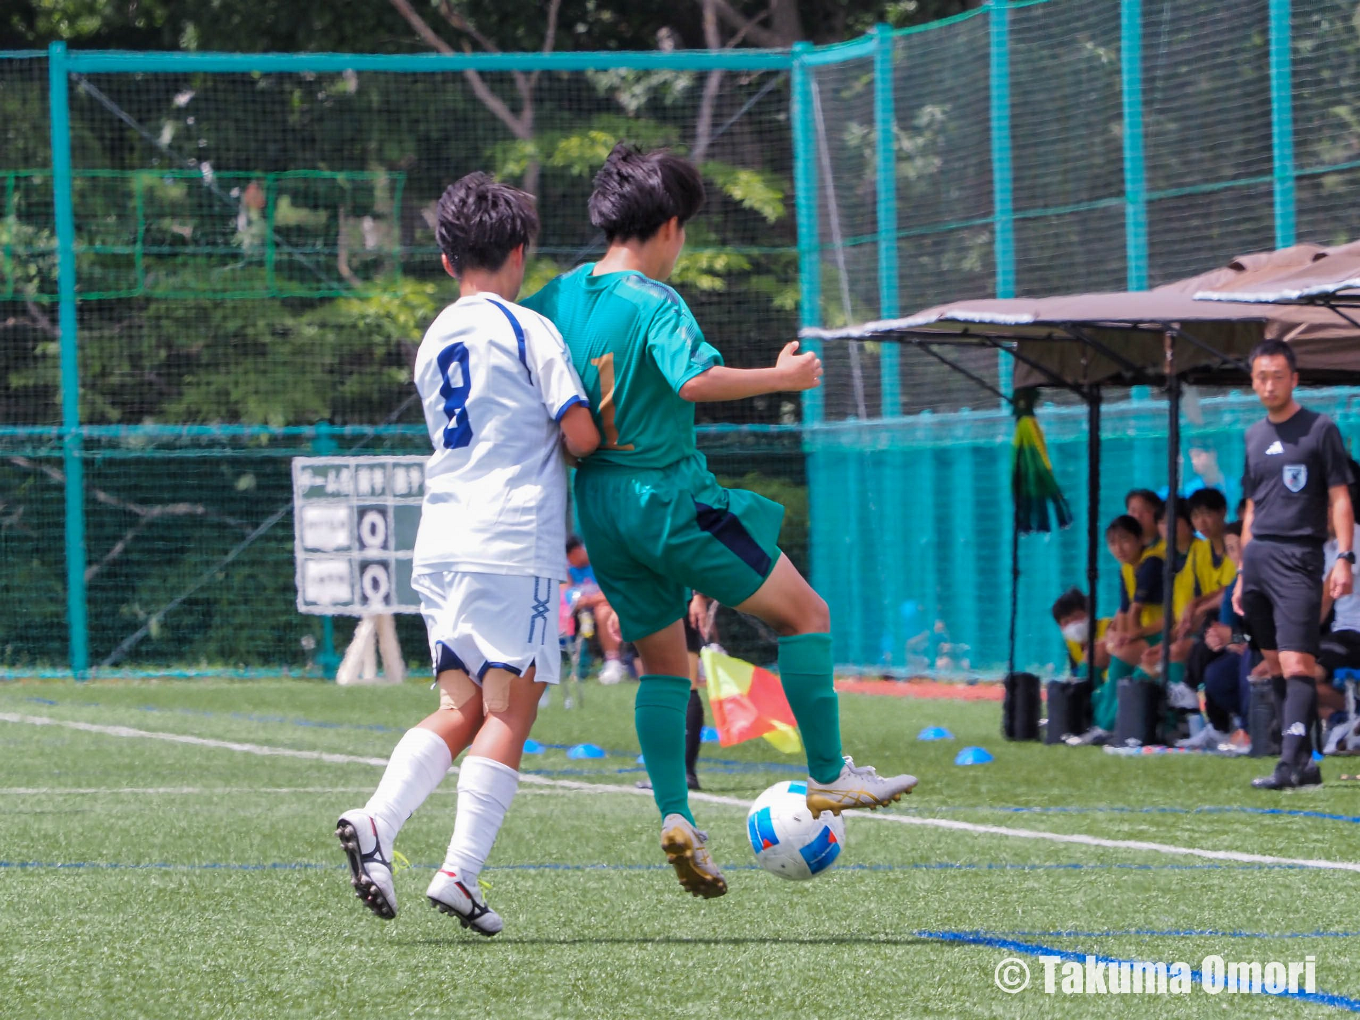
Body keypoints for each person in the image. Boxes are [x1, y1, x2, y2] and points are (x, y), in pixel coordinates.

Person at [523, 143, 917, 898]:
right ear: (669, 226)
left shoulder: (558, 297)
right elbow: (694, 378)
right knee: (806, 614)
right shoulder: (655, 301)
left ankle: (676, 815)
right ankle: (831, 775)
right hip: (669, 497)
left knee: (665, 665)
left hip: (600, 508)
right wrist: (784, 376)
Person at [336, 173, 599, 933]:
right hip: (511, 542)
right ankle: (458, 872)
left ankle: (380, 822)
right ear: (521, 253)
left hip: (443, 540)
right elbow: (579, 436)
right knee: (511, 710)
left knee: (464, 704)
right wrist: (603, 422)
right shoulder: (528, 328)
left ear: (448, 262)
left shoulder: (433, 340)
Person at [1235, 339, 1354, 789]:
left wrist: (1343, 558)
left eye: (1278, 376)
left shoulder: (1320, 429)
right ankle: (1303, 763)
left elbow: (1340, 498)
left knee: (1299, 662)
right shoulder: (1252, 436)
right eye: (1262, 377)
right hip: (1258, 560)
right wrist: (1242, 570)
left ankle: (1288, 764)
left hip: (1300, 559)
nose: (1269, 384)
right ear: (1253, 381)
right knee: (1275, 665)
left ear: (1294, 379)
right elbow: (1251, 507)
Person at [564, 535, 627, 684]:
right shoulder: (569, 568)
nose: (570, 561)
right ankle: (574, 665)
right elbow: (565, 591)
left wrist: (590, 600)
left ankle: (613, 662)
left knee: (603, 610)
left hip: (605, 607)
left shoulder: (600, 562)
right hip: (579, 610)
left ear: (578, 551)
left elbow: (614, 591)